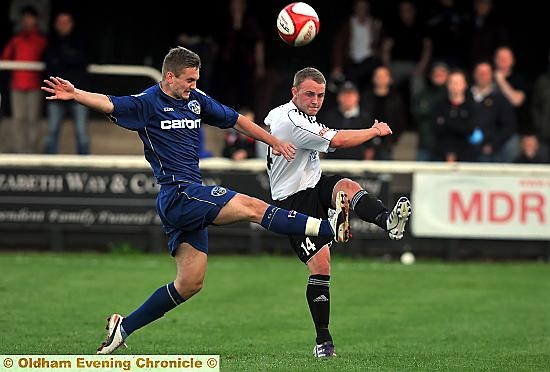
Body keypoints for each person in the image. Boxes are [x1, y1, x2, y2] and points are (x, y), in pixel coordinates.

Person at [41, 47, 351, 355]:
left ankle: (123, 328)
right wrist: (76, 93)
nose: (193, 85)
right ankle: (327, 229)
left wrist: (274, 141)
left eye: (196, 79)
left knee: (190, 283)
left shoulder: (195, 101)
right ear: (170, 76)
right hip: (178, 194)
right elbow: (110, 102)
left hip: (189, 197)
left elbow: (236, 120)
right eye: (189, 80)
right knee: (251, 206)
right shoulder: (148, 103)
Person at [264, 67, 412, 357]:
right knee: (321, 267)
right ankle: (323, 341)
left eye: (320, 95)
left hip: (314, 184)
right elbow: (339, 140)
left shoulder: (288, 114)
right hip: (292, 201)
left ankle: (388, 222)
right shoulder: (294, 122)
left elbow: (270, 121)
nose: (316, 100)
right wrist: (374, 130)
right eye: (309, 94)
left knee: (345, 184)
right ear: (294, 93)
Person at [1, 5, 47, 153]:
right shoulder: (16, 39)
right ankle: (20, 152)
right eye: (25, 18)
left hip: (34, 85)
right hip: (17, 85)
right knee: (18, 120)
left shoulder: (41, 40)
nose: (27, 21)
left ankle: (31, 153)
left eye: (30, 18)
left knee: (33, 120)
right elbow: (5, 58)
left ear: (36, 20)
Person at [43, 11, 90, 154]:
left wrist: (63, 60)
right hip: (57, 94)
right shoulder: (51, 42)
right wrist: (69, 59)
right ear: (55, 25)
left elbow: (84, 61)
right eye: (60, 22)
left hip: (78, 94)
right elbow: (49, 63)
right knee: (52, 133)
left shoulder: (82, 41)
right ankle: (49, 171)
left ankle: (85, 169)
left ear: (72, 24)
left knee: (82, 134)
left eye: (66, 22)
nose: (63, 26)